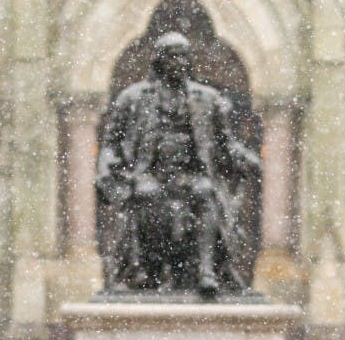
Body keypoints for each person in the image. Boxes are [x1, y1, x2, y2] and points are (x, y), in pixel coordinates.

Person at [95, 31, 261, 295]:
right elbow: (111, 144)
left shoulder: (207, 98)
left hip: (192, 175)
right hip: (148, 174)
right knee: (146, 194)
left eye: (184, 56)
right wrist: (105, 169)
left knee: (205, 192)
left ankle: (206, 272)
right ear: (159, 61)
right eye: (173, 56)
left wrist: (248, 158)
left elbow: (226, 144)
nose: (180, 62)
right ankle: (147, 269)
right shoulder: (133, 97)